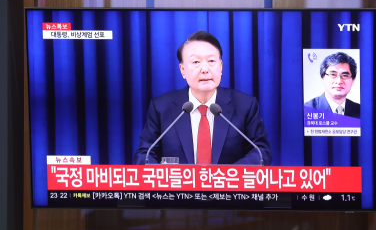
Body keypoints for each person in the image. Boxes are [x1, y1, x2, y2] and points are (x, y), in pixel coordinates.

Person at [134, 31, 271, 166]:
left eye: (211, 61)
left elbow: (261, 152)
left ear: (221, 66)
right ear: (182, 70)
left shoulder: (245, 105)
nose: (205, 69)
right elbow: (144, 155)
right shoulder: (161, 107)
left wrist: (227, 175)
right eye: (196, 62)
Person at [304, 52, 361, 119]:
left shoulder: (361, 111)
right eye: (333, 74)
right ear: (322, 78)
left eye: (345, 75)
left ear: (353, 80)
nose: (339, 81)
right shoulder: (306, 110)